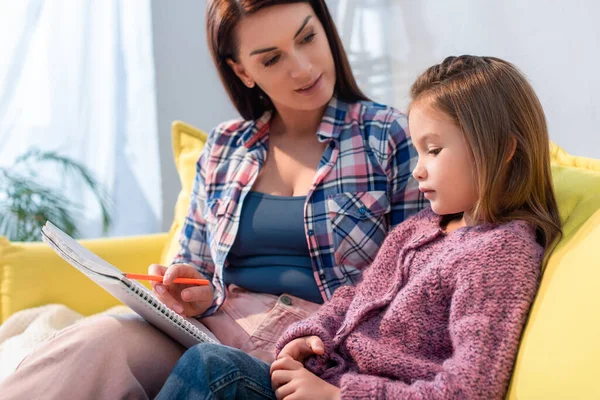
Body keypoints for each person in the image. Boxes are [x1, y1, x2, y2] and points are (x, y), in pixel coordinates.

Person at [0, 1, 423, 399]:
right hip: (210, 328)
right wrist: (190, 290)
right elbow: (197, 268)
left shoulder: (388, 136)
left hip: (308, 349)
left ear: (326, 29)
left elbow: (416, 282)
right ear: (243, 71)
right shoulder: (225, 147)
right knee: (94, 342)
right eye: (271, 58)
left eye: (307, 38)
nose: (302, 67)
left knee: (209, 365)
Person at [155, 55, 563, 400]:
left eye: (434, 150)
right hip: (321, 376)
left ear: (505, 150)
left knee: (210, 367)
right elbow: (354, 298)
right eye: (419, 150)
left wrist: (340, 395)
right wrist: (310, 334)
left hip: (342, 392)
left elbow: (468, 388)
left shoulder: (500, 253)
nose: (418, 170)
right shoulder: (421, 228)